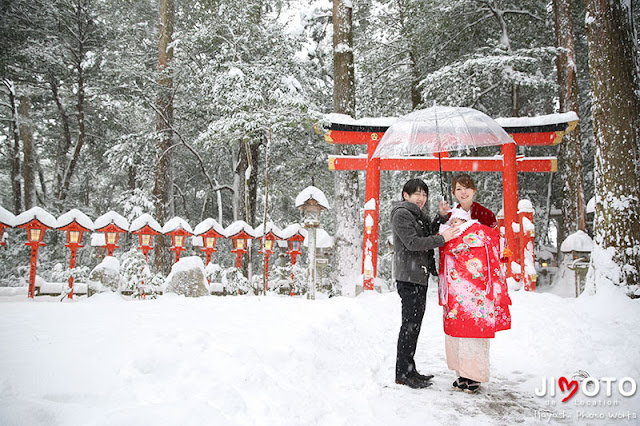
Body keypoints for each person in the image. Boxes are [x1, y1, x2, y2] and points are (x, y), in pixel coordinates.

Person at [391, 178, 461, 389]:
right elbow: (413, 243)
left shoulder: (416, 215)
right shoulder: (402, 214)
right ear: (406, 195)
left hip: (418, 277)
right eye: (417, 194)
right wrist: (442, 238)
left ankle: (410, 370)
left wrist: (440, 217)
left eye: (424, 194)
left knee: (414, 326)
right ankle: (403, 374)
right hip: (408, 277)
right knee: (409, 326)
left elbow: (426, 233)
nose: (421, 198)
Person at [437, 208, 511, 393]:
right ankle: (461, 373)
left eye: (459, 221)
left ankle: (474, 376)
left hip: (476, 293)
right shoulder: (447, 235)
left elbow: (497, 244)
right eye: (452, 221)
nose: (455, 224)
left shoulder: (479, 231)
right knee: (457, 335)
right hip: (455, 295)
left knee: (474, 335)